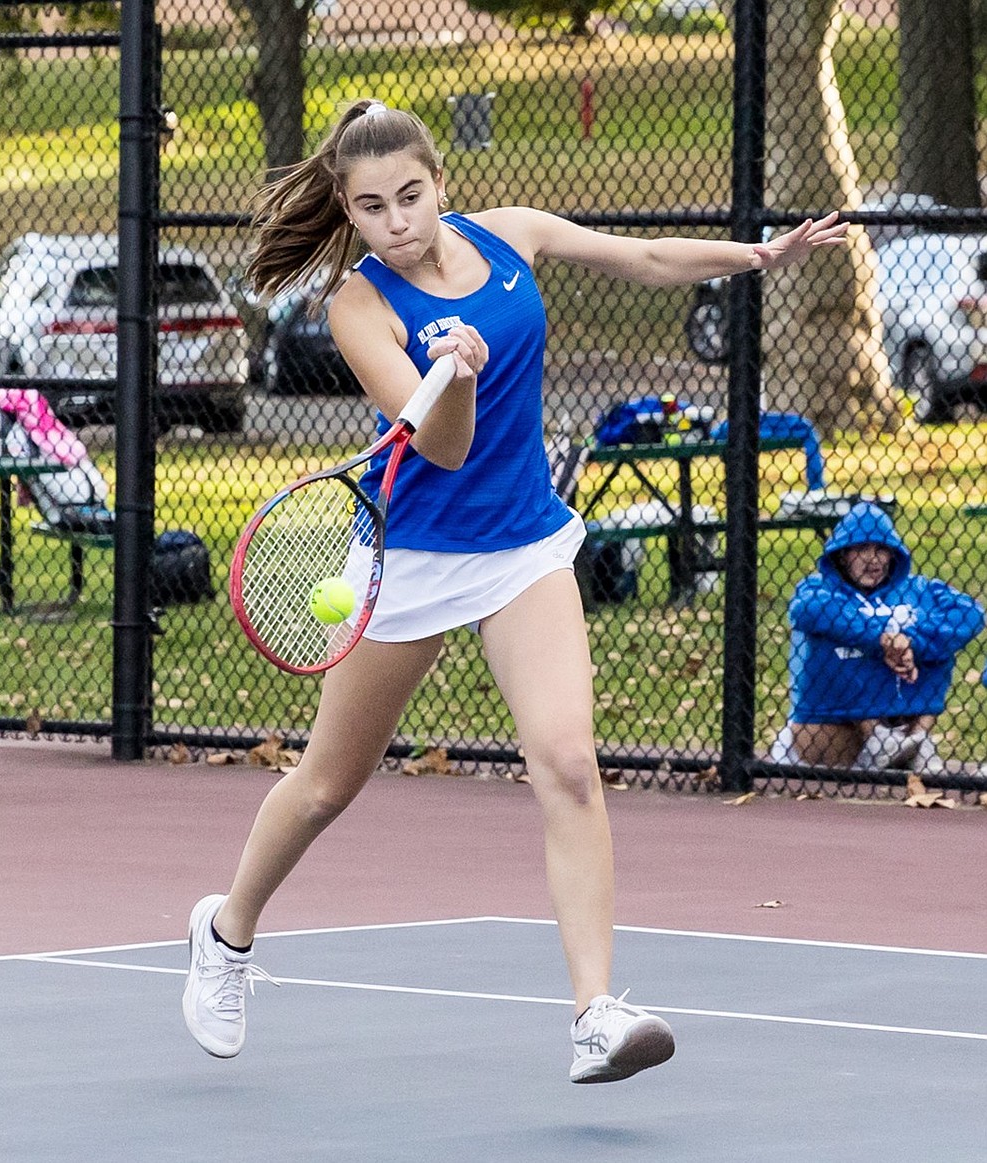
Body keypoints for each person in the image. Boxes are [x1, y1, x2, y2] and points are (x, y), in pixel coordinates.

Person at [183, 98, 848, 1083]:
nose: (398, 220)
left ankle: (592, 1013)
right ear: (349, 212)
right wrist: (448, 373)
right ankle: (226, 933)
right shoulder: (357, 308)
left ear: (439, 182)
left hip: (523, 546)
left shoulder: (509, 237)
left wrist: (755, 257)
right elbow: (444, 450)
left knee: (568, 763)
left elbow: (642, 258)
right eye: (372, 208)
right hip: (411, 559)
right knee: (326, 784)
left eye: (410, 195)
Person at [773, 502, 984, 773]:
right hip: (832, 734)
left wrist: (911, 642)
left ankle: (916, 740)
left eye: (881, 549)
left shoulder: (919, 589)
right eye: (861, 549)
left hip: (902, 715)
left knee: (937, 647)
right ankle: (877, 739)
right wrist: (881, 640)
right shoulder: (818, 587)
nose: (872, 559)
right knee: (843, 646)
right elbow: (807, 610)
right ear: (842, 555)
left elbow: (970, 614)